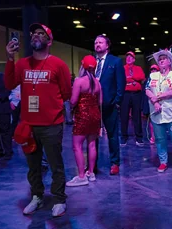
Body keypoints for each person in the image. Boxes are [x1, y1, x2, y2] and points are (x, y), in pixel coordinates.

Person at [5, 23, 71, 217]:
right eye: (33, 33)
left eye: (41, 33)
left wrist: (52, 109)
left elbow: (66, 92)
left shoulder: (59, 65)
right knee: (33, 166)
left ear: (49, 41)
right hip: (28, 125)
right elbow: (9, 83)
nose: (35, 35)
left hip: (51, 124)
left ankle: (59, 199)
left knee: (55, 164)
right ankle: (37, 196)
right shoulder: (23, 64)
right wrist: (10, 58)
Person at [92, 35, 126, 175]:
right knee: (92, 136)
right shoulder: (91, 61)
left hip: (109, 104)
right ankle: (92, 165)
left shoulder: (115, 61)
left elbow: (121, 83)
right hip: (92, 105)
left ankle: (114, 163)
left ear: (107, 45)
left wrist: (116, 101)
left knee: (112, 135)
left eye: (100, 42)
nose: (97, 44)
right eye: (95, 42)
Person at [66, 55, 102, 187]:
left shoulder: (79, 81)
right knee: (92, 145)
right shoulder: (97, 83)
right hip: (95, 116)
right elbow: (100, 102)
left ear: (82, 66)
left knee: (77, 146)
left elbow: (74, 101)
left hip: (82, 116)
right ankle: (90, 173)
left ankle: (81, 176)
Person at [120, 51, 145, 146]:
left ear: (134, 59)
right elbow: (121, 79)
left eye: (131, 57)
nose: (128, 58)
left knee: (137, 116)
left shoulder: (138, 68)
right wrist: (134, 80)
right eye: (127, 57)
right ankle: (123, 137)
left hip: (136, 94)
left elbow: (142, 77)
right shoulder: (122, 68)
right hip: (125, 94)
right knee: (124, 116)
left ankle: (139, 137)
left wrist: (131, 77)